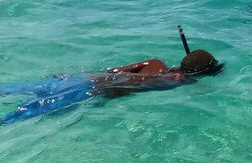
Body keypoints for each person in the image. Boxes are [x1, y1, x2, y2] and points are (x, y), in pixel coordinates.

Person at [0, 49, 223, 124]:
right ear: (204, 72)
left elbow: (112, 71)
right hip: (88, 91)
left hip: (78, 79)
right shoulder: (178, 81)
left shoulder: (154, 63)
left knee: (12, 89)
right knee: (11, 118)